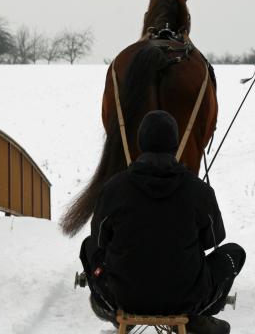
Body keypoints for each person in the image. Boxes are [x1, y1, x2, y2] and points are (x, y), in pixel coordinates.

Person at [80, 110, 245, 334]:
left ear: (141, 144)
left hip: (124, 296)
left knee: (88, 246)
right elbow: (213, 240)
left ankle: (110, 310)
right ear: (175, 146)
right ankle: (196, 317)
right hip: (187, 298)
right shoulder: (199, 190)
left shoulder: (113, 188)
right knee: (234, 252)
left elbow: (100, 239)